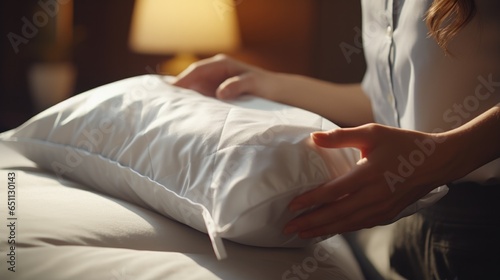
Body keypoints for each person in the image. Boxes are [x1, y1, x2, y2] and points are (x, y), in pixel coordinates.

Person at [173, 0, 500, 279]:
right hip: (406, 220)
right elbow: (382, 102)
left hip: (483, 226)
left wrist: (437, 158)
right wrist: (259, 82)